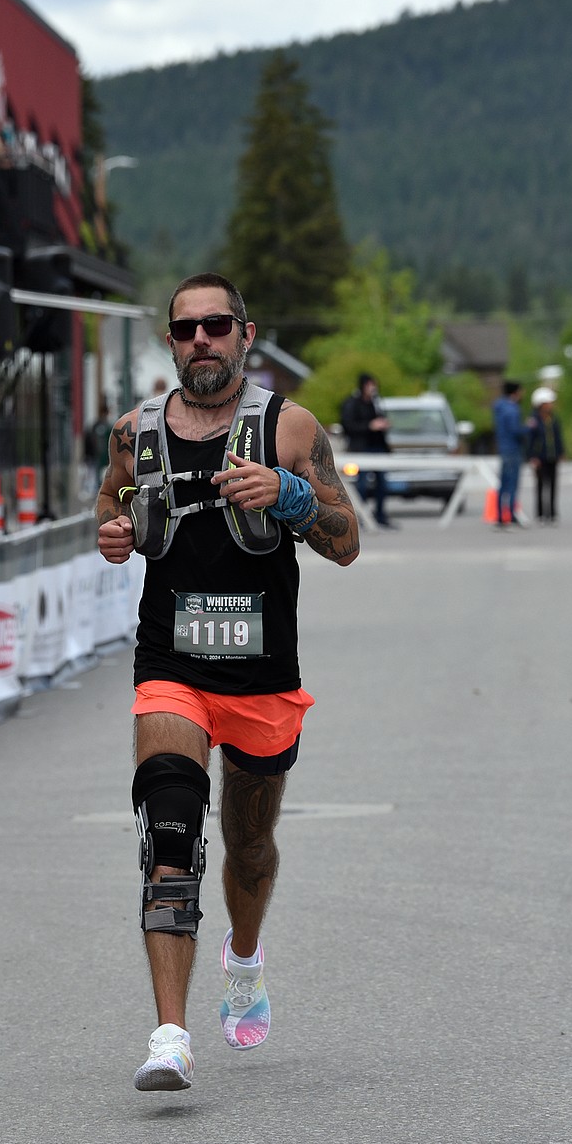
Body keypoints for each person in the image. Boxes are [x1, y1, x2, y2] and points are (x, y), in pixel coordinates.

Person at [96, 272, 360, 1093]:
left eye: (217, 326)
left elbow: (346, 538)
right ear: (170, 342)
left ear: (247, 334)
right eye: (185, 330)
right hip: (171, 668)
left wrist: (288, 496)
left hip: (262, 678)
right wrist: (110, 533)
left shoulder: (287, 428)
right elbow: (111, 502)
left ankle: (242, 960)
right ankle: (170, 1032)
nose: (201, 341)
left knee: (247, 847)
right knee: (169, 832)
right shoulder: (133, 433)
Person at [339, 373, 395, 528]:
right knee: (361, 484)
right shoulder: (352, 404)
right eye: (370, 385)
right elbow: (348, 425)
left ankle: (380, 515)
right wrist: (369, 426)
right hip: (361, 449)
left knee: (382, 484)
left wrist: (383, 424)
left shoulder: (376, 403)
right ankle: (361, 517)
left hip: (378, 448)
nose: (373, 388)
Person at [525, 386, 565, 523]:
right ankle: (541, 514)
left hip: (552, 457)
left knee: (553, 485)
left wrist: (561, 452)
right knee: (541, 486)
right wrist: (532, 456)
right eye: (548, 403)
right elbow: (530, 440)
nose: (551, 405)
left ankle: (552, 513)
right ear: (541, 404)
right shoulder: (534, 421)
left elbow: (558, 437)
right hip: (540, 458)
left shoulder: (554, 420)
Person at [492, 380, 526, 527]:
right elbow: (515, 431)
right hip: (513, 449)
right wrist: (529, 428)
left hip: (503, 448)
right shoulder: (512, 409)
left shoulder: (499, 407)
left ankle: (500, 516)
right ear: (516, 392)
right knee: (512, 484)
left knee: (503, 484)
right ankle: (510, 516)